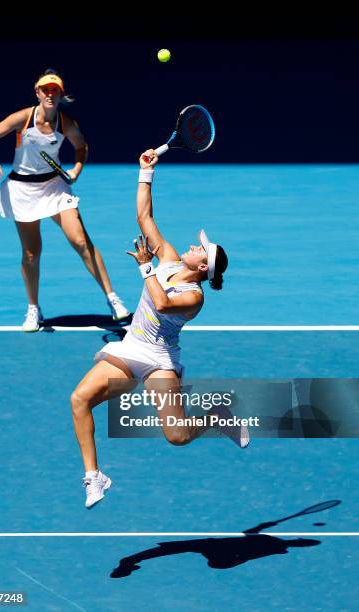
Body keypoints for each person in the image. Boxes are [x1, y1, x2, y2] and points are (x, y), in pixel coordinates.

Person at [71, 148, 249, 509]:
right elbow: (144, 216)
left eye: (199, 249)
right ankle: (94, 476)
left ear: (203, 268)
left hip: (159, 361)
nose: (191, 245)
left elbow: (163, 303)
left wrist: (145, 268)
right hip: (129, 347)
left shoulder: (193, 296)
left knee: (178, 436)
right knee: (79, 400)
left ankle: (217, 417)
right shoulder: (166, 256)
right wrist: (145, 173)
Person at [0, 69, 129, 331]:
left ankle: (112, 298)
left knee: (81, 241)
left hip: (55, 187)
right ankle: (33, 309)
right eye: (45, 90)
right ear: (37, 93)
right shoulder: (23, 118)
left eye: (55, 90)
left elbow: (81, 147)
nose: (50, 94)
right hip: (22, 190)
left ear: (61, 94)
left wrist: (76, 170)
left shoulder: (66, 123)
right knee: (31, 253)